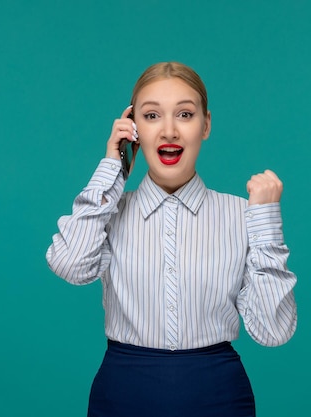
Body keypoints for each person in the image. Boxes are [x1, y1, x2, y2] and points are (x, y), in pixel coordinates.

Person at [46, 62, 297, 417]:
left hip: (219, 397)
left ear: (205, 124)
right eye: (151, 116)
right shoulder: (109, 213)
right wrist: (111, 169)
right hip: (123, 394)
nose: (169, 130)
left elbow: (274, 331)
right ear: (133, 129)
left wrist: (266, 221)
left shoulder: (244, 215)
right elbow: (69, 266)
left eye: (184, 114)